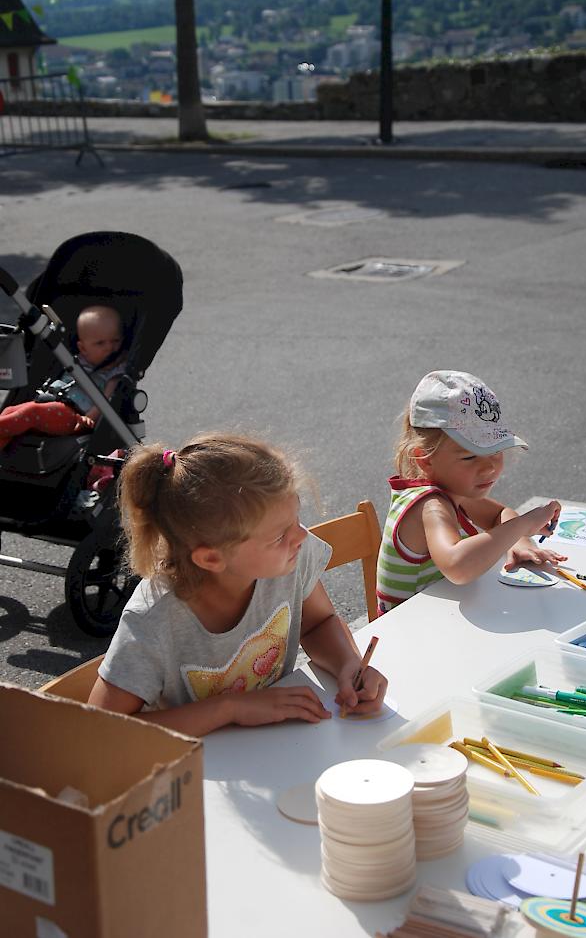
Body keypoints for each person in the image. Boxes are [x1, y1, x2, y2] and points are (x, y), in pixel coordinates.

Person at [88, 433, 388, 737]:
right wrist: (230, 709)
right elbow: (103, 733)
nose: (301, 536)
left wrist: (347, 664)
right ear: (211, 558)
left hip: (281, 747)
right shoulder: (153, 622)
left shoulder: (290, 557)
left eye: (297, 517)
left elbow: (318, 624)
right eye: (279, 536)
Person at [376, 370, 567, 615]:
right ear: (424, 460)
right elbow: (458, 567)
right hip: (408, 640)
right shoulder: (430, 506)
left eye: (496, 451)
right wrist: (523, 525)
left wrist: (519, 541)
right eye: (469, 456)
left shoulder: (452, 489)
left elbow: (498, 514)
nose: (489, 467)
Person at [0, 304, 125, 450]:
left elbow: (105, 401)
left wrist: (89, 418)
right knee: (10, 411)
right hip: (54, 401)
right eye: (100, 343)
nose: (109, 347)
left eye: (115, 341)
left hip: (75, 415)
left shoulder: (114, 373)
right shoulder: (78, 359)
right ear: (83, 348)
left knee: (30, 412)